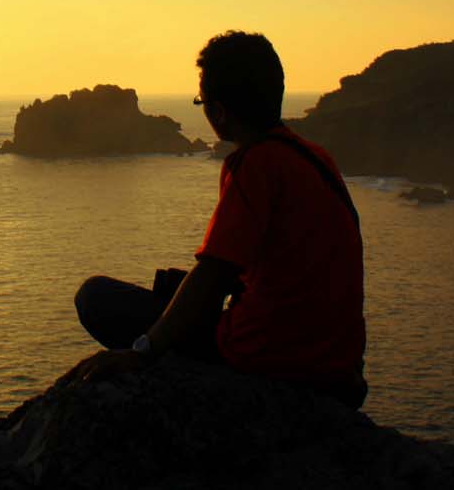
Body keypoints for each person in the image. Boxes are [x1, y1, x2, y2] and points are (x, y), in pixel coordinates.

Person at [72, 30, 367, 408]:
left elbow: (214, 275)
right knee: (174, 288)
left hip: (271, 359)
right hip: (336, 369)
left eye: (202, 102)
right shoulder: (316, 158)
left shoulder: (255, 165)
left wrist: (143, 351)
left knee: (96, 297)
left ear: (219, 112)